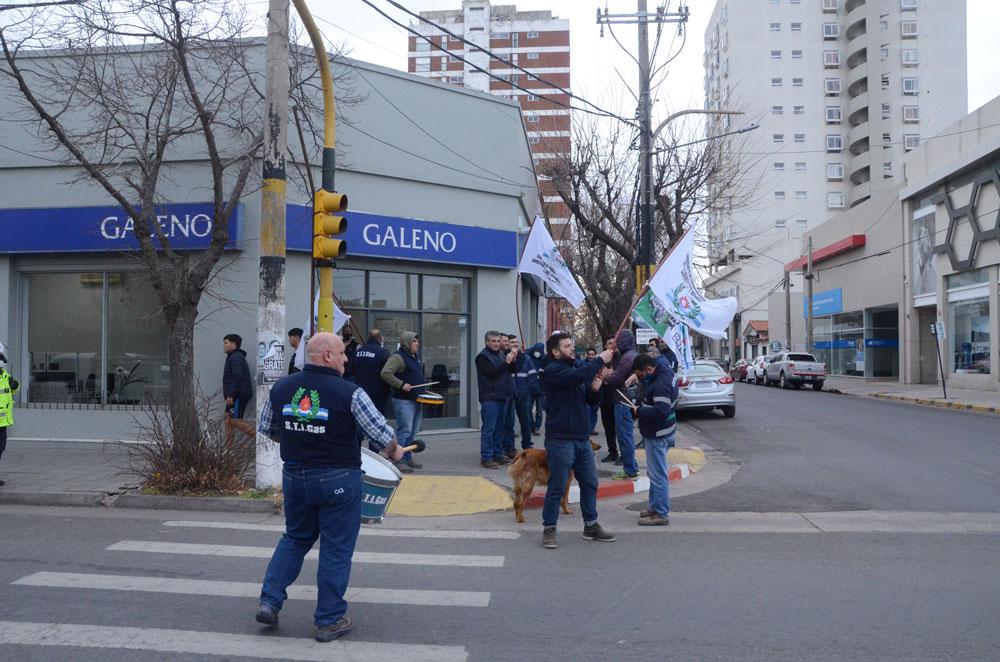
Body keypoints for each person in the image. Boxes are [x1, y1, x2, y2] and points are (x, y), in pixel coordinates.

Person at [255, 332, 401, 642]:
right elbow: (380, 434)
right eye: (343, 353)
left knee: (294, 538)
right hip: (338, 479)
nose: (347, 359)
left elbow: (268, 428)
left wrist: (302, 438)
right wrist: (396, 451)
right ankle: (330, 619)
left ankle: (269, 601)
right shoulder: (351, 393)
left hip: (295, 476)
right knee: (335, 550)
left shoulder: (282, 388)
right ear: (327, 357)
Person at [540, 331, 616, 549]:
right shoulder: (553, 370)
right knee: (557, 486)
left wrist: (595, 390)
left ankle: (591, 525)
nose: (571, 348)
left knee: (590, 483)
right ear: (555, 352)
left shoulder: (576, 369)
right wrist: (600, 359)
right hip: (560, 439)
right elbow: (574, 379)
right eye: (566, 346)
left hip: (581, 439)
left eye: (571, 345)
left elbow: (588, 400)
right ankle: (549, 528)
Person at [631, 353, 677, 526]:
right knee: (655, 473)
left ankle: (661, 513)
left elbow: (661, 411)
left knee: (658, 475)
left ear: (649, 369)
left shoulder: (660, 384)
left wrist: (639, 411)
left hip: (658, 434)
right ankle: (654, 507)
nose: (641, 378)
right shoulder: (666, 371)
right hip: (666, 430)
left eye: (642, 375)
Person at [380, 331, 425, 473]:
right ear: (406, 342)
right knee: (404, 430)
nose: (417, 344)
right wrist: (401, 384)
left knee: (413, 431)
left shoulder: (413, 357)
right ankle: (397, 460)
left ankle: (406, 456)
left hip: (416, 399)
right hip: (403, 400)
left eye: (417, 341)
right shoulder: (398, 357)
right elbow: (385, 373)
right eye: (414, 341)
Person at [475, 330, 515, 469]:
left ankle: (498, 454)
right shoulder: (482, 357)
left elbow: (511, 370)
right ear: (487, 342)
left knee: (500, 429)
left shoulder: (501, 354)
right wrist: (506, 361)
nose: (496, 344)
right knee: (489, 429)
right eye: (493, 341)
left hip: (502, 396)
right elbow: (492, 373)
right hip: (490, 397)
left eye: (498, 341)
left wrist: (515, 356)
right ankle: (486, 457)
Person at [604, 329, 640, 480]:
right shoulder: (631, 355)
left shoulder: (627, 358)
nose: (616, 344)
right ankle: (632, 467)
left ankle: (630, 470)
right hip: (627, 401)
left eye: (618, 341)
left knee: (624, 437)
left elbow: (615, 379)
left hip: (622, 401)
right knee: (626, 436)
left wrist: (607, 375)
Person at [223, 333, 255, 443]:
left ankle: (262, 439)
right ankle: (229, 451)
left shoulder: (236, 357)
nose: (223, 345)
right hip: (233, 394)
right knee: (227, 419)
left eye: (226, 343)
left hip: (238, 394)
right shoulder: (232, 357)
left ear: (233, 344)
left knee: (236, 421)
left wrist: (231, 394)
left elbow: (238, 376)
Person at [509, 335, 539, 451]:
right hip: (510, 395)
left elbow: (532, 376)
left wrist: (529, 390)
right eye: (512, 342)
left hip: (523, 394)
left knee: (525, 422)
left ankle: (527, 445)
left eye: (516, 342)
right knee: (509, 423)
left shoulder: (526, 358)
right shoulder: (507, 357)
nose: (515, 344)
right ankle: (509, 447)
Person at [351, 329, 390, 417]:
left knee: (362, 417)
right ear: (380, 339)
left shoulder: (358, 352)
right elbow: (388, 373)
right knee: (377, 418)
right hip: (378, 393)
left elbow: (351, 371)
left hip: (360, 392)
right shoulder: (383, 352)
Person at [0, 351, 21, 487]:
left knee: (1, 448)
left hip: (3, 422)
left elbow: (14, 388)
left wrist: (14, 384)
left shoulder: (4, 376)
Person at [598, 336, 619, 464]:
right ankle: (612, 452)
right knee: (608, 428)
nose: (612, 345)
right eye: (610, 343)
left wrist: (613, 373)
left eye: (614, 343)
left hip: (618, 398)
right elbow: (598, 376)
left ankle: (624, 454)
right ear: (606, 346)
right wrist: (604, 375)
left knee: (621, 428)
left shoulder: (621, 359)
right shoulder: (601, 361)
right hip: (605, 398)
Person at [528, 342, 546, 434]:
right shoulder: (529, 358)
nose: (536, 353)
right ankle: (532, 426)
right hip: (531, 389)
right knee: (529, 409)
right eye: (535, 351)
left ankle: (537, 427)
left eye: (538, 351)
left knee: (539, 411)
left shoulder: (544, 361)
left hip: (541, 391)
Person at [584, 347, 600, 436]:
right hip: (586, 391)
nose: (590, 356)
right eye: (589, 354)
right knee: (587, 411)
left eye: (592, 354)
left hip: (596, 391)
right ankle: (587, 428)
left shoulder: (598, 365)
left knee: (594, 411)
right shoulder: (583, 364)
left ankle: (592, 428)